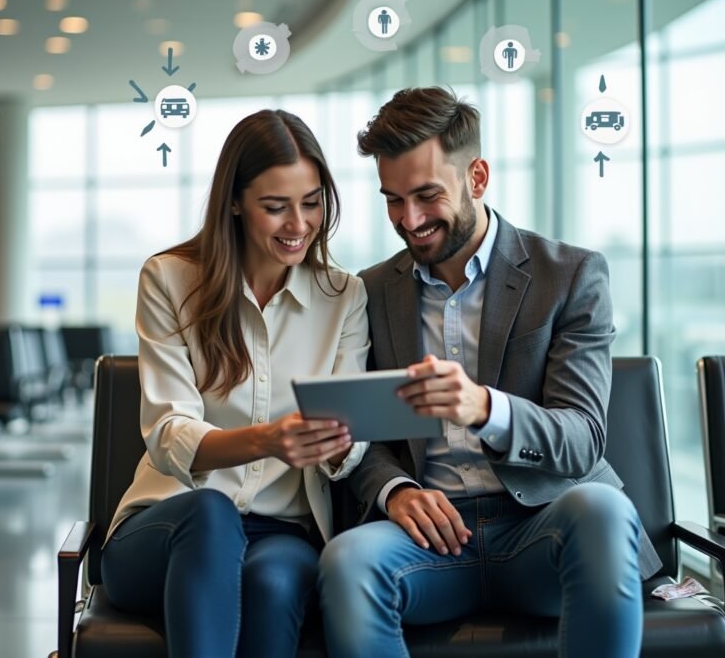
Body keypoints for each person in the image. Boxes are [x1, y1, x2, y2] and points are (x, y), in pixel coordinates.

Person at [318, 87, 662, 658]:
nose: (410, 219)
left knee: (603, 510)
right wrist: (395, 491)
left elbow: (581, 439)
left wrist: (484, 407)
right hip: (429, 542)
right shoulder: (372, 291)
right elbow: (359, 434)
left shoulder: (569, 276)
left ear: (476, 176)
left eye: (427, 196)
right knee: (347, 561)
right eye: (393, 200)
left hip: (542, 527)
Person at [101, 109, 370, 658]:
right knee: (211, 513)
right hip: (169, 523)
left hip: (282, 534)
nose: (299, 224)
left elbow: (352, 432)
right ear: (234, 202)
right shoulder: (169, 279)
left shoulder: (345, 297)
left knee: (272, 585)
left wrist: (341, 442)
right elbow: (169, 431)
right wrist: (269, 439)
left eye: (312, 202)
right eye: (276, 207)